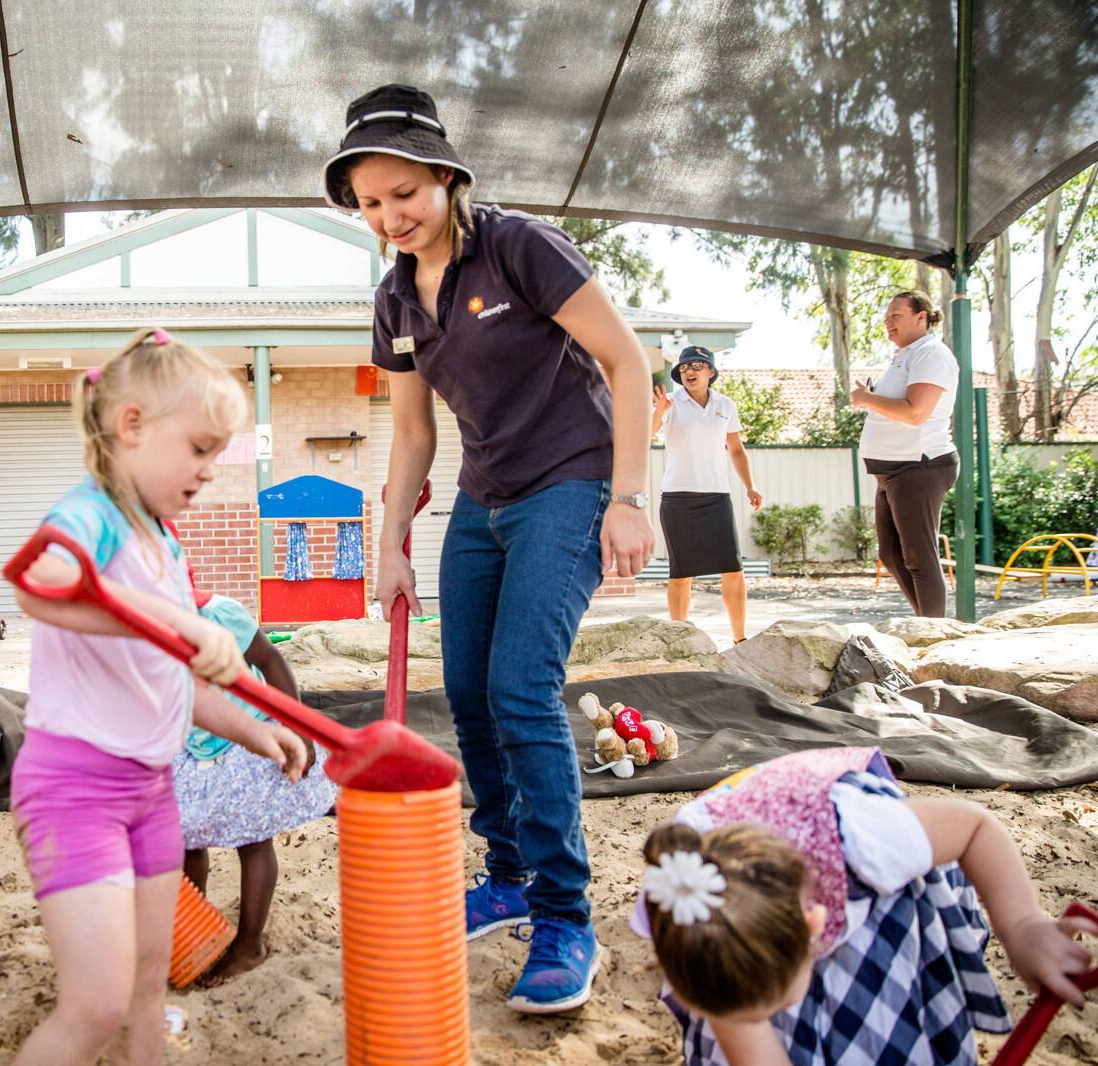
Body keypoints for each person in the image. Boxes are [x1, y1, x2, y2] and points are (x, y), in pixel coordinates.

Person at [325, 83, 656, 1013]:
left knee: (520, 687)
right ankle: (507, 875)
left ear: (445, 176)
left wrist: (629, 497)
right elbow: (412, 434)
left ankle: (564, 916)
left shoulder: (518, 247)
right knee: (467, 692)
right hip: (485, 496)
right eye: (371, 203)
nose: (390, 216)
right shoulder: (395, 297)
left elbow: (629, 362)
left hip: (573, 481)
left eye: (404, 192)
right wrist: (389, 546)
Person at [11, 327, 309, 1065]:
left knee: (149, 987)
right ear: (132, 425)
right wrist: (178, 621)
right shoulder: (91, 513)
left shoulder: (162, 540)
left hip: (151, 792)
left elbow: (174, 681)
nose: (211, 469)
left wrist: (256, 731)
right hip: (76, 792)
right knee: (96, 1004)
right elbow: (41, 582)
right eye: (201, 448)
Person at [633, 747, 1098, 1065]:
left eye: (766, 1011)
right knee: (754, 998)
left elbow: (975, 827)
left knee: (871, 1003)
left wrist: (1022, 926)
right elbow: (737, 1014)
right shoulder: (687, 907)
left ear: (814, 927)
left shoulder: (869, 837)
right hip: (782, 879)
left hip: (878, 889)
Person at [173, 589, 337, 985]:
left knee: (253, 841)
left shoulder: (219, 614)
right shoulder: (147, 629)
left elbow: (271, 660)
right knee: (185, 840)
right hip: (193, 744)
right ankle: (195, 930)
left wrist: (297, 725)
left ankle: (249, 945)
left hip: (248, 740)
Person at [852, 290, 959, 617]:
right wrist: (873, 396)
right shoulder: (905, 356)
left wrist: (867, 399)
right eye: (886, 318)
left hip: (919, 466)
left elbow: (915, 412)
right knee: (891, 554)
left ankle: (934, 632)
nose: (888, 322)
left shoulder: (931, 354)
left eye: (896, 316)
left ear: (921, 317)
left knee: (919, 557)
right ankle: (926, 623)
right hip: (892, 471)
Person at [651, 346, 762, 643]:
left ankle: (740, 640)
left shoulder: (725, 405)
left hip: (716, 498)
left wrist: (750, 485)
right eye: (684, 367)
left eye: (697, 365)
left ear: (711, 372)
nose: (690, 371)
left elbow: (735, 449)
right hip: (677, 498)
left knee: (733, 569)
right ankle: (679, 640)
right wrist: (659, 411)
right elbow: (646, 434)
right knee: (681, 574)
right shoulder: (670, 402)